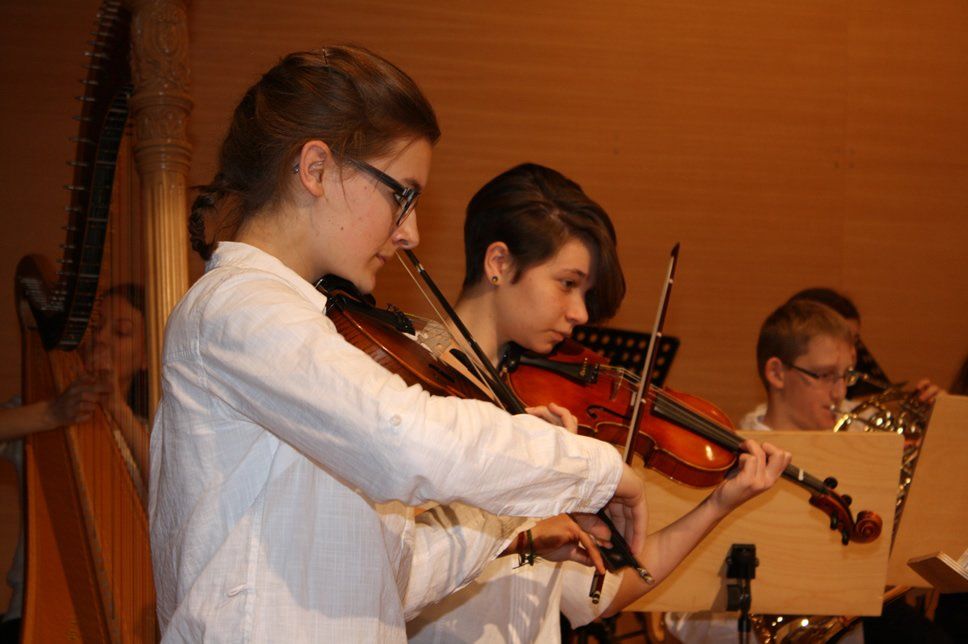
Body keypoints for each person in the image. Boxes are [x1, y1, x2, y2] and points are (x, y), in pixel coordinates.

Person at [149, 46, 650, 642]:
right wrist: (592, 468)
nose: (408, 232)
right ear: (316, 170)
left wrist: (510, 517)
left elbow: (389, 580)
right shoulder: (237, 307)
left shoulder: (302, 323)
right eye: (401, 194)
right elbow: (401, 437)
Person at [406, 163, 791, 643]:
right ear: (499, 263)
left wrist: (718, 505)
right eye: (567, 284)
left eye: (585, 293)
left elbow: (599, 593)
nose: (581, 313)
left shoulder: (538, 408)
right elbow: (394, 563)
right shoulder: (407, 391)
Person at [0, 374, 110, 640]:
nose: (103, 349)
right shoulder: (35, 411)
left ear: (145, 360)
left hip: (118, 617)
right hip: (31, 612)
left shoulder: (144, 431)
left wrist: (118, 409)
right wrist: (51, 413)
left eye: (120, 334)